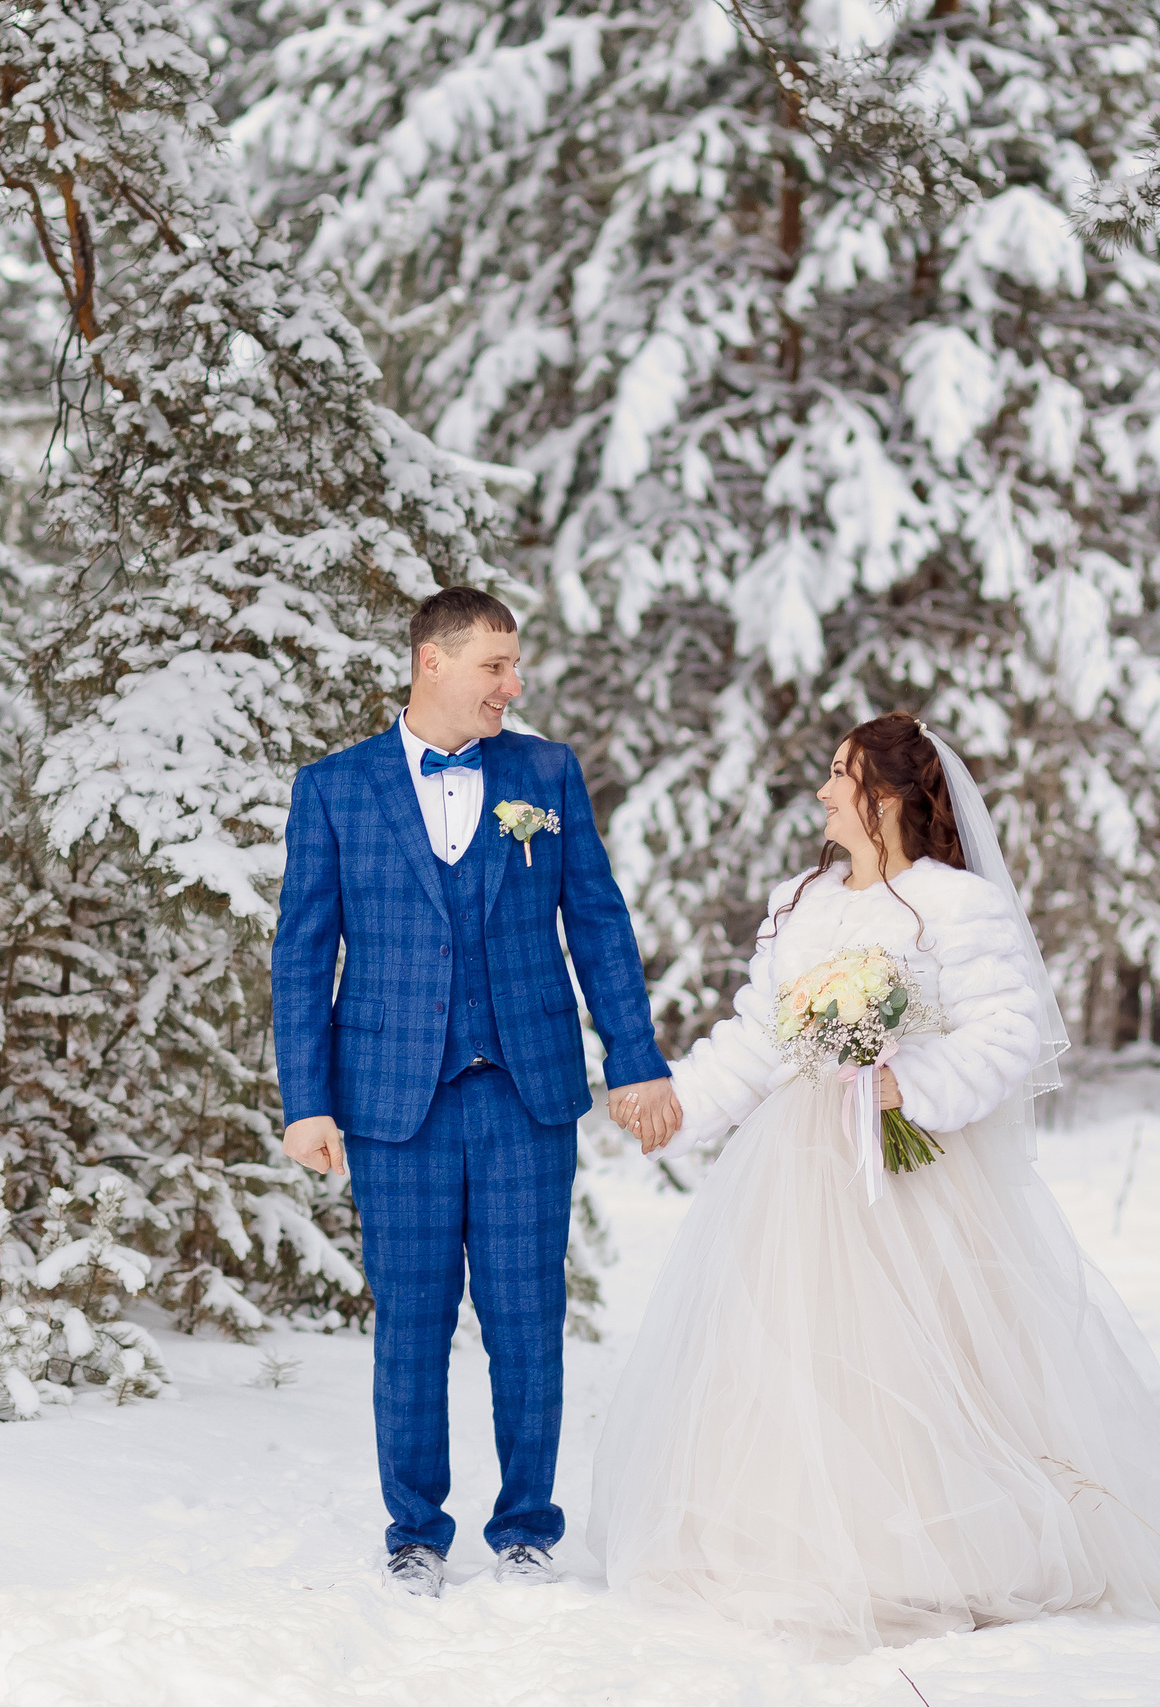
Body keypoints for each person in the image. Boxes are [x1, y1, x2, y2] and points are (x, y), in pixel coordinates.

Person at [589, 712, 1160, 1653]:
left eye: (839, 773)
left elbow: (1005, 1032)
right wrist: (680, 1106)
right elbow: (762, 1037)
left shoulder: (958, 906)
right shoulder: (800, 902)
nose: (821, 791)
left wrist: (905, 1083)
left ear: (884, 796)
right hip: (799, 1173)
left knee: (913, 1353)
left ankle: (932, 1557)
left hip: (912, 1169)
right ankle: (791, 1544)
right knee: (796, 1346)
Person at [272, 587, 679, 1600]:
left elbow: (598, 922)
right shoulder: (334, 788)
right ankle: (414, 1532)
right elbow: (302, 955)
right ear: (433, 662)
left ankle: (527, 1529)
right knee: (409, 1322)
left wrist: (634, 1057)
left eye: (515, 664)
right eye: (495, 666)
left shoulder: (545, 773)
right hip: (391, 1097)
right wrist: (305, 1100)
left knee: (526, 1317)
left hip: (523, 1088)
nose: (513, 684)